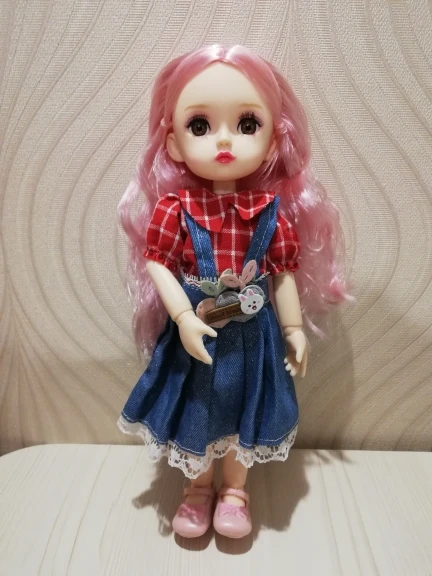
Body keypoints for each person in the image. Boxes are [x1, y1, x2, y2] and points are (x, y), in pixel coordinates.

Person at [118, 45, 348, 539]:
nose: (224, 140)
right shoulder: (175, 210)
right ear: (174, 142)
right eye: (200, 125)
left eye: (247, 124)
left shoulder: (271, 213)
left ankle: (236, 492)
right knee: (197, 410)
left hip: (254, 337)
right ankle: (198, 488)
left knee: (247, 411)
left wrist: (293, 329)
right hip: (196, 333)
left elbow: (281, 274)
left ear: (273, 140)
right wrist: (183, 317)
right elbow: (157, 262)